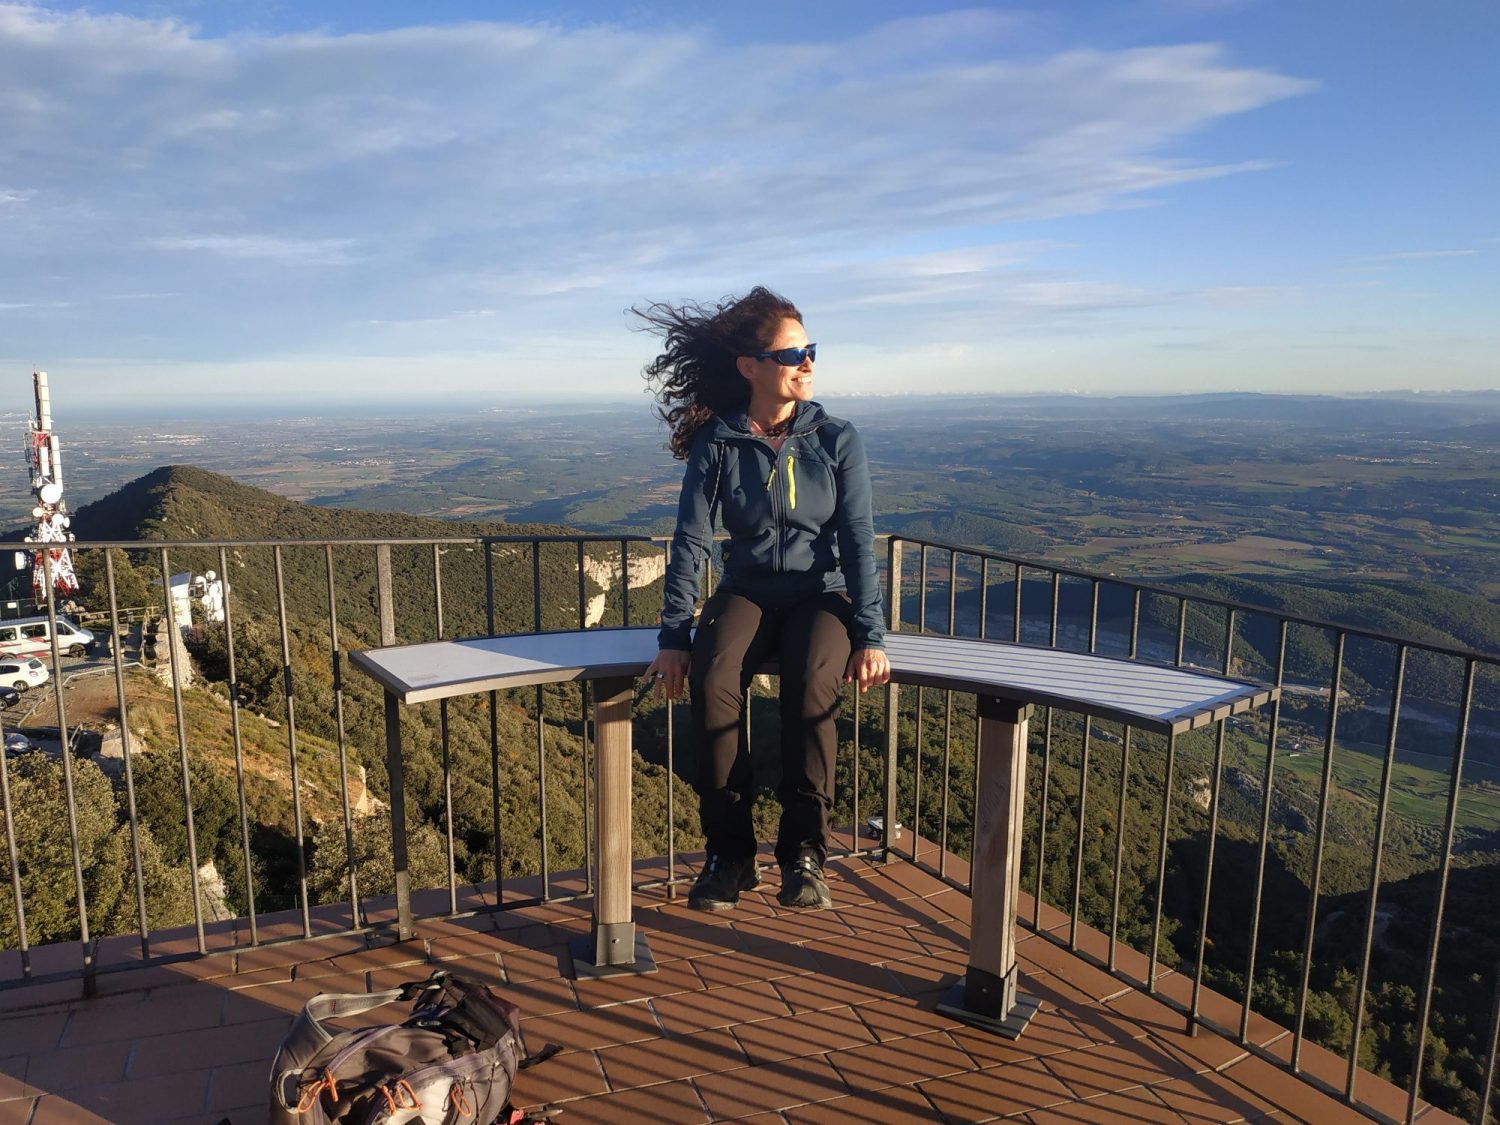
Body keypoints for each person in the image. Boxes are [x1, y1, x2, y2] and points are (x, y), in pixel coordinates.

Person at [637, 286, 891, 912]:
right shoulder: (719, 442)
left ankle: (805, 853)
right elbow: (691, 540)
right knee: (713, 676)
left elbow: (857, 540)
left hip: (820, 592)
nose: (808, 363)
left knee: (813, 682)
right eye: (792, 354)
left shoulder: (835, 438)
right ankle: (730, 854)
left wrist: (870, 635)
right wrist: (674, 637)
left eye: (810, 350)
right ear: (749, 366)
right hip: (746, 589)